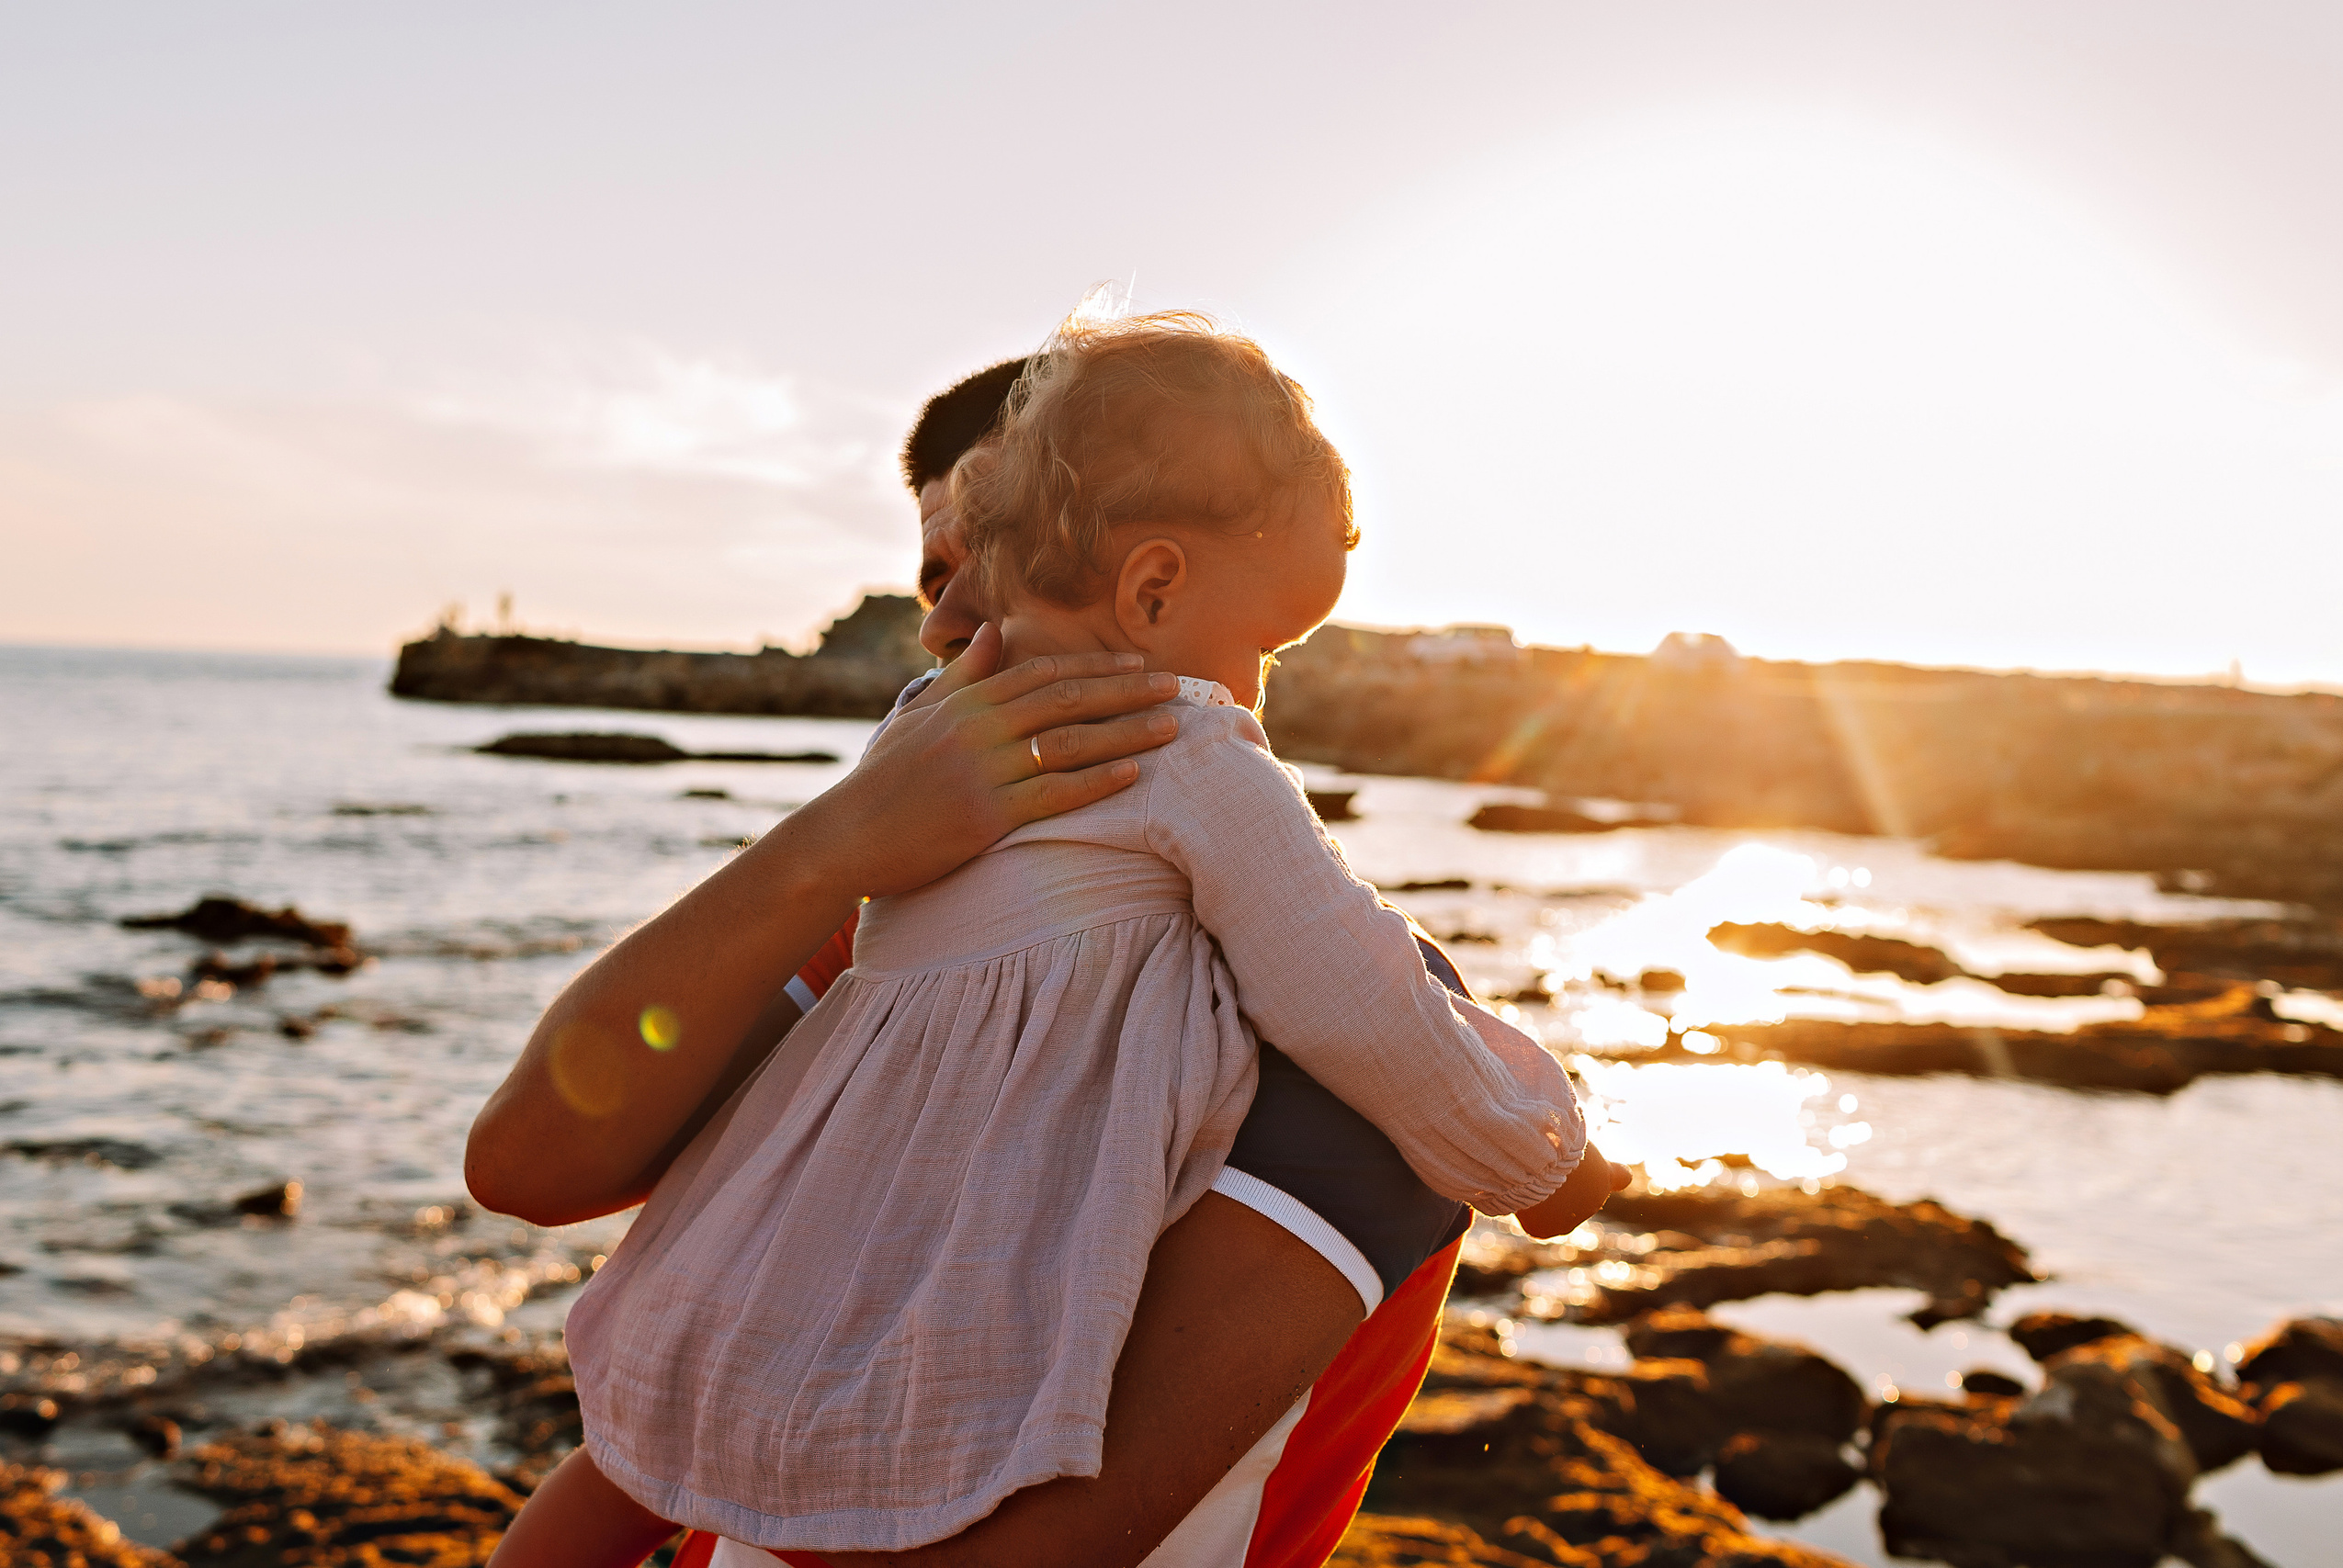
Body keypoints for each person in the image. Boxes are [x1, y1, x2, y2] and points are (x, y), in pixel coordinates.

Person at [471, 333, 1627, 1568]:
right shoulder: (865, 954)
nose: (955, 625)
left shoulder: (1348, 1053)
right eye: (943, 577)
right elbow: (528, 1168)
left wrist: (1528, 1152)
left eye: (1007, 565)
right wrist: (821, 850)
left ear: (1144, 584)